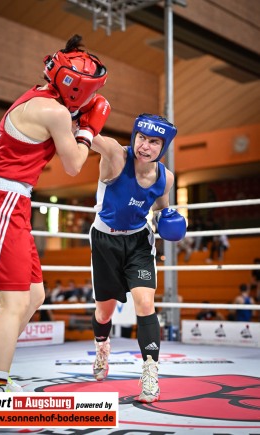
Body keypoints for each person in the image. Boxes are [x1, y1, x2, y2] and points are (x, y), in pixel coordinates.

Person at [0, 34, 110, 393]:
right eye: (90, 91)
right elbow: (76, 165)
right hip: (2, 201)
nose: (92, 98)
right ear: (76, 88)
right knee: (14, 302)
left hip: (14, 202)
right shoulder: (54, 111)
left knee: (34, 296)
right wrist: (91, 129)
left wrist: (80, 118)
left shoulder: (43, 97)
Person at [88, 113, 186, 403]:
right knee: (103, 313)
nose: (145, 146)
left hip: (139, 243)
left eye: (154, 142)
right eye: (142, 138)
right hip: (105, 240)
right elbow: (92, 138)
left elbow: (161, 207)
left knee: (145, 303)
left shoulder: (166, 177)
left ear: (163, 146)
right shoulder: (116, 156)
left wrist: (168, 218)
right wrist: (75, 112)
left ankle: (150, 372)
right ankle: (101, 345)